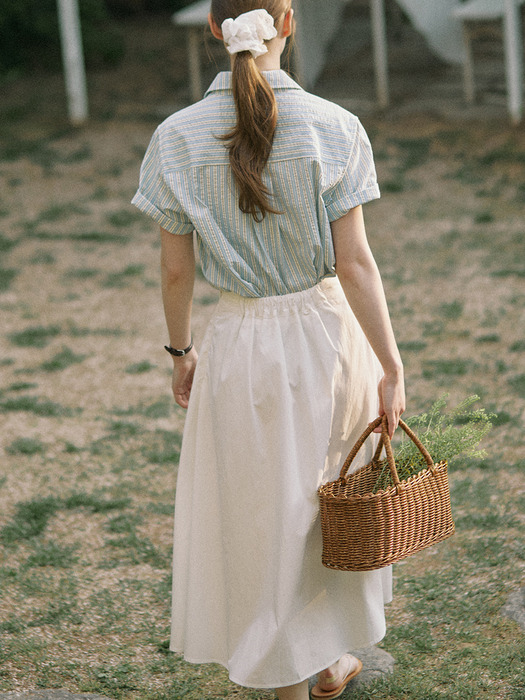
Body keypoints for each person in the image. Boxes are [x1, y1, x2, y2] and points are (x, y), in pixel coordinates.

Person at [132, 2, 405, 698]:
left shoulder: (174, 137)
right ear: (289, 21)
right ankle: (318, 658)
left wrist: (180, 351)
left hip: (236, 343)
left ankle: (301, 666)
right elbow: (355, 266)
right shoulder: (334, 126)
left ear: (209, 29)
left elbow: (174, 271)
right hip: (326, 335)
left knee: (260, 509)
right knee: (327, 499)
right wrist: (392, 365)